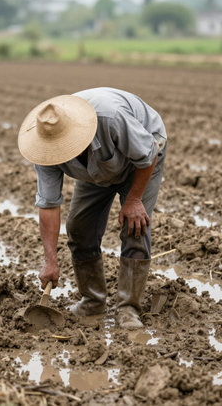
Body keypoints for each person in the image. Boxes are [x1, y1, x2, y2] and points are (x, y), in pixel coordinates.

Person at [18, 87, 167, 329]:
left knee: (135, 225)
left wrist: (133, 200)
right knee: (79, 227)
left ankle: (128, 309)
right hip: (97, 169)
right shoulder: (45, 149)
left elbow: (147, 154)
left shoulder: (111, 118)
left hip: (142, 156)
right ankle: (93, 301)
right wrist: (50, 261)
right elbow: (48, 205)